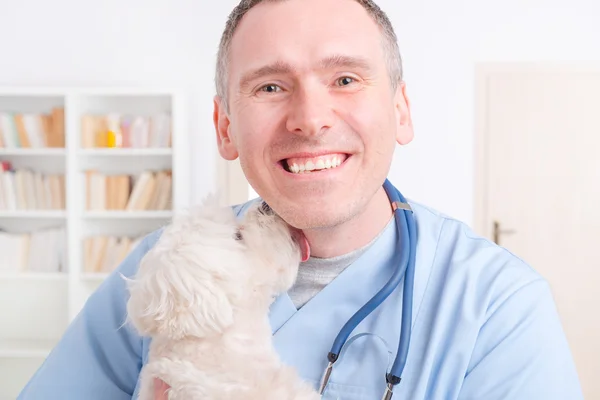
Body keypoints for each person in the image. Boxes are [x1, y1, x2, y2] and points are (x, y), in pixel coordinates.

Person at [18, 0, 584, 399]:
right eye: (270, 86)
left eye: (345, 80)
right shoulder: (161, 268)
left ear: (401, 109)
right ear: (225, 127)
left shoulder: (498, 307)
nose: (310, 119)